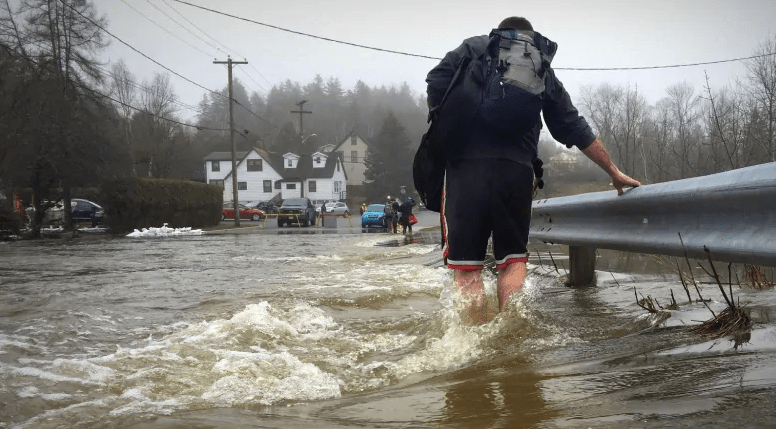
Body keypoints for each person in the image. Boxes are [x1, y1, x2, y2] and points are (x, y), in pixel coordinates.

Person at [426, 16, 641, 324]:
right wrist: (613, 171)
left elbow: (435, 83)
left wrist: (448, 130)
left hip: (465, 170)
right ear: (529, 36)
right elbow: (572, 125)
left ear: (499, 31)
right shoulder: (538, 64)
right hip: (516, 171)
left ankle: (472, 346)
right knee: (512, 261)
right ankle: (511, 332)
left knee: (467, 267)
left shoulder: (473, 49)